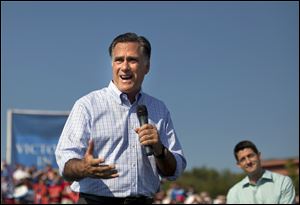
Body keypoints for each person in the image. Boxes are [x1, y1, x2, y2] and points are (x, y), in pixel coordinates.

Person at [55, 32, 186, 204]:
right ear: (112, 64)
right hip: (95, 201)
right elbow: (65, 163)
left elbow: (173, 170)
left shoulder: (159, 109)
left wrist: (160, 150)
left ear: (146, 67)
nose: (124, 67)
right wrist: (84, 167)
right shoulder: (87, 105)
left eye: (132, 60)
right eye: (119, 60)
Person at [226, 140, 295, 204]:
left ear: (259, 156)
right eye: (243, 159)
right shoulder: (234, 193)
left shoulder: (283, 182)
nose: (248, 162)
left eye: (250, 156)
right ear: (239, 165)